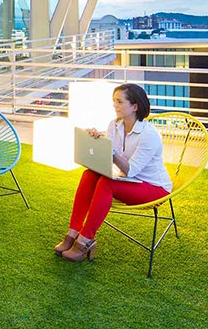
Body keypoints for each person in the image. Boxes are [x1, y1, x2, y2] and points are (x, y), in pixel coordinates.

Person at [54, 83, 173, 263]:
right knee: (89, 175)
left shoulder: (149, 135)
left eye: (119, 101)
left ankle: (85, 240)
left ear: (134, 106)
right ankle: (73, 233)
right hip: (128, 181)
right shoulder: (114, 125)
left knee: (106, 183)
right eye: (114, 101)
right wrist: (97, 142)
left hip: (154, 188)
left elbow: (130, 170)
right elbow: (109, 159)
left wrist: (112, 152)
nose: (114, 105)